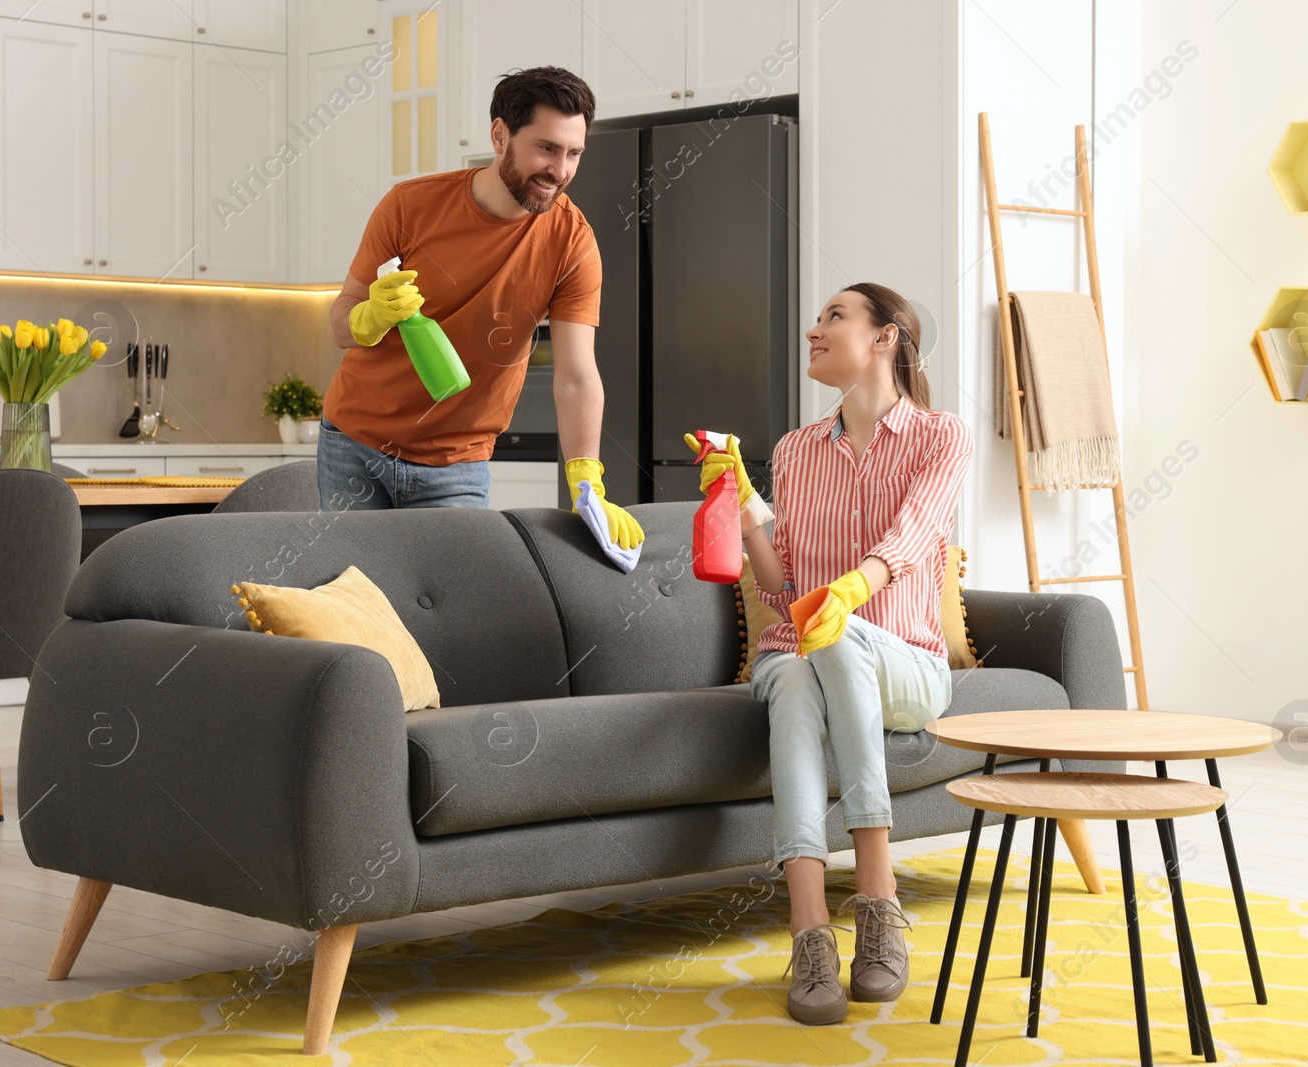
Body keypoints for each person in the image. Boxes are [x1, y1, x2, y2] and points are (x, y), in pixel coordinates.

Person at [688, 282, 972, 1025]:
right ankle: (810, 930)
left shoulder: (942, 435)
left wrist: (850, 591)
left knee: (832, 636)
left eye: (834, 317)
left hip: (906, 661)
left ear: (886, 338)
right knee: (788, 678)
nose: (814, 329)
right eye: (817, 318)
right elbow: (784, 593)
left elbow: (915, 533)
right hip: (806, 657)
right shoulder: (793, 450)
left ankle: (877, 897)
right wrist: (747, 507)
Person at [319, 66, 642, 549]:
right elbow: (340, 323)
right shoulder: (409, 206)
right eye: (546, 148)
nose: (561, 170)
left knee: (449, 613)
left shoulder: (572, 243)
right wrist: (370, 316)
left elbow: (575, 374)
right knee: (351, 605)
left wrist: (586, 475)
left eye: (574, 153)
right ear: (499, 135)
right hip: (354, 444)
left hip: (457, 464)